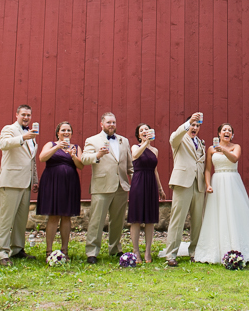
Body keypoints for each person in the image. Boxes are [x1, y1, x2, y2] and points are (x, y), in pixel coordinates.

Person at [194, 123, 249, 264]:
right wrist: (208, 185)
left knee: (236, 213)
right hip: (217, 182)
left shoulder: (236, 147)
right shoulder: (210, 149)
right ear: (219, 134)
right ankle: (217, 248)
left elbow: (234, 159)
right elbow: (208, 170)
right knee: (218, 213)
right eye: (224, 130)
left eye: (229, 130)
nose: (227, 132)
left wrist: (222, 149)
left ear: (232, 135)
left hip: (232, 181)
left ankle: (241, 247)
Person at [80, 112, 134, 264]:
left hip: (121, 186)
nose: (111, 125)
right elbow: (84, 159)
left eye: (114, 122)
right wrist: (97, 154)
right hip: (102, 185)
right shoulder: (92, 140)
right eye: (108, 122)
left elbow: (129, 165)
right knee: (96, 221)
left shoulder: (124, 141)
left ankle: (115, 248)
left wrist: (135, 180)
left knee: (117, 221)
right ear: (101, 124)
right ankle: (92, 251)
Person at [0, 104, 39, 266]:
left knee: (21, 219)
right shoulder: (10, 129)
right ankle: (1, 252)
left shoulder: (31, 135)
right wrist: (22, 138)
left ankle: (17, 248)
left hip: (25, 182)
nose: (26, 117)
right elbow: (3, 144)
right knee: (6, 219)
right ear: (17, 115)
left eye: (29, 115)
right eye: (23, 114)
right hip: (11, 180)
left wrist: (34, 179)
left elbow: (31, 159)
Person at [163, 112, 207, 267]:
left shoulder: (201, 143)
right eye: (192, 125)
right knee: (178, 219)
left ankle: (195, 252)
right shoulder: (179, 139)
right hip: (182, 183)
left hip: (198, 184)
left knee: (197, 221)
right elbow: (173, 138)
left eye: (197, 125)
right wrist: (188, 122)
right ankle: (171, 254)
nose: (195, 128)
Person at [36, 121, 83, 261]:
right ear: (58, 132)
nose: (66, 132)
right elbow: (42, 158)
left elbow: (81, 166)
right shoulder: (50, 144)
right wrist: (57, 147)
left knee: (66, 216)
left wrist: (73, 156)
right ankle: (48, 251)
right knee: (53, 215)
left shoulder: (76, 147)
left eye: (69, 130)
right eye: (63, 130)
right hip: (52, 183)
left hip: (70, 184)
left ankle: (65, 250)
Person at [129, 123, 166, 263]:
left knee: (150, 220)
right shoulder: (135, 147)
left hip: (151, 183)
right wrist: (145, 143)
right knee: (136, 219)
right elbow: (135, 156)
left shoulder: (155, 150)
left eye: (146, 129)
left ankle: (148, 252)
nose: (144, 131)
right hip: (138, 182)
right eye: (141, 130)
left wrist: (160, 188)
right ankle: (136, 251)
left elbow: (155, 170)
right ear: (139, 135)